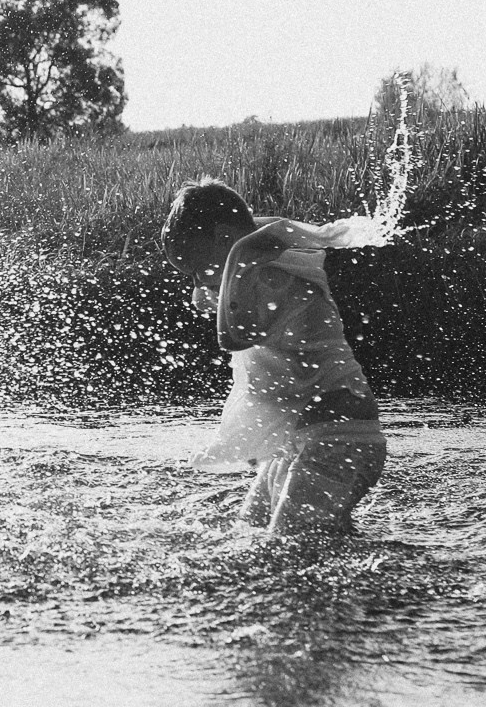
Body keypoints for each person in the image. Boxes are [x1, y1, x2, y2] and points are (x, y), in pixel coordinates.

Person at [161, 177, 386, 534]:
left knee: (284, 547)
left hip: (339, 440)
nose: (198, 287)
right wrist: (239, 251)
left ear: (226, 240)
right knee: (249, 530)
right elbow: (248, 234)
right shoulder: (261, 264)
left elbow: (231, 337)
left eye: (197, 271)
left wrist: (236, 260)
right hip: (300, 440)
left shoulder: (270, 278)